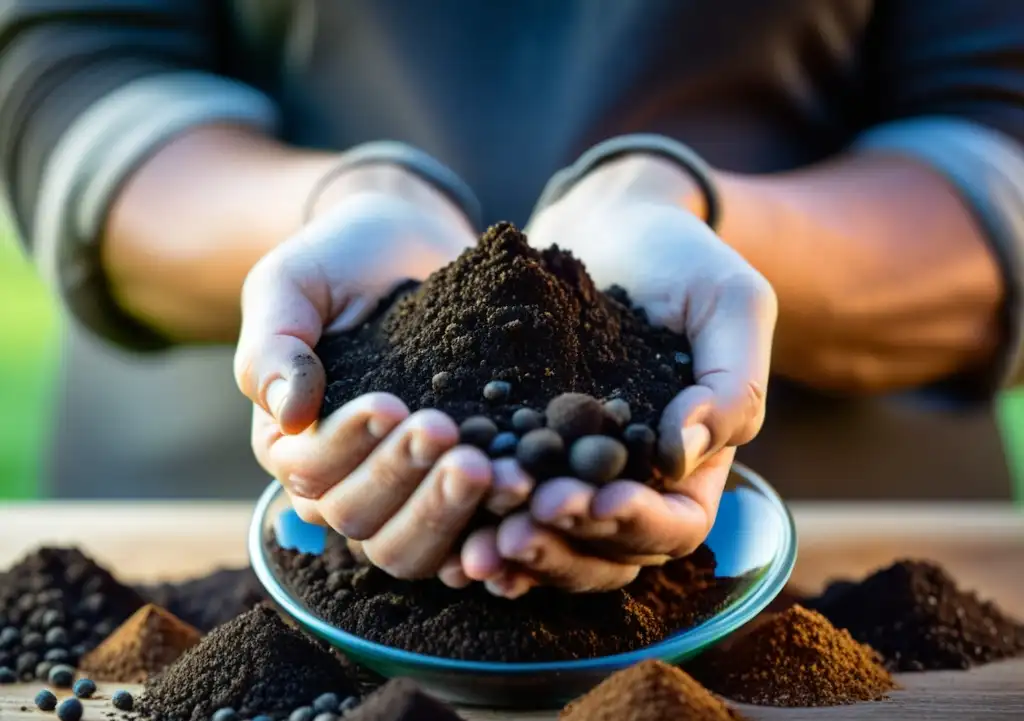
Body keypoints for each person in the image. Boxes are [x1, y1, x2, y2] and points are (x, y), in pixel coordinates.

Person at [1, 1, 1022, 597]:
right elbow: (72, 70)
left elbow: (996, 117)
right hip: (230, 540)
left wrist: (690, 208)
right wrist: (348, 200)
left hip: (816, 558)